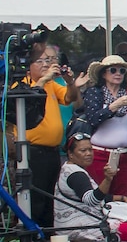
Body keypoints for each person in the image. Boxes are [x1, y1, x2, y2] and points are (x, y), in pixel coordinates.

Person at [18, 44, 82, 230]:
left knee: (50, 197)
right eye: (40, 61)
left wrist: (70, 82)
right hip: (32, 151)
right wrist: (45, 78)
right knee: (34, 197)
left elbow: (69, 98)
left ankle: (47, 234)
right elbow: (29, 100)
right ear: (28, 65)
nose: (46, 64)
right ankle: (31, 235)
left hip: (52, 151)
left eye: (48, 60)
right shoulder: (22, 83)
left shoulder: (51, 84)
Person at [54, 133, 127, 242]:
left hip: (78, 225)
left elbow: (89, 196)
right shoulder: (75, 174)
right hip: (82, 229)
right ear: (71, 154)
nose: (88, 153)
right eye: (83, 151)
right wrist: (108, 179)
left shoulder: (69, 168)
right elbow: (91, 200)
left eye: (90, 149)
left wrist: (118, 197)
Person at [77, 54, 127, 199]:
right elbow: (93, 119)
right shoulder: (95, 92)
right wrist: (115, 106)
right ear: (104, 73)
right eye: (113, 70)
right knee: (99, 196)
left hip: (125, 155)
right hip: (99, 155)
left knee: (121, 196)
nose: (118, 74)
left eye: (122, 71)